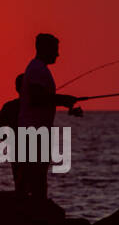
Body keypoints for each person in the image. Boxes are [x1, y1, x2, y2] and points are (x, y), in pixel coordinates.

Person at [17, 33, 80, 200]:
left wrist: (62, 101)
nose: (57, 54)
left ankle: (35, 206)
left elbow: (41, 97)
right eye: (55, 50)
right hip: (34, 131)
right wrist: (63, 100)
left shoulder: (38, 68)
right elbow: (38, 98)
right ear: (45, 49)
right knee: (36, 173)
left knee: (34, 173)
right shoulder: (37, 69)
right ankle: (37, 208)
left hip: (35, 130)